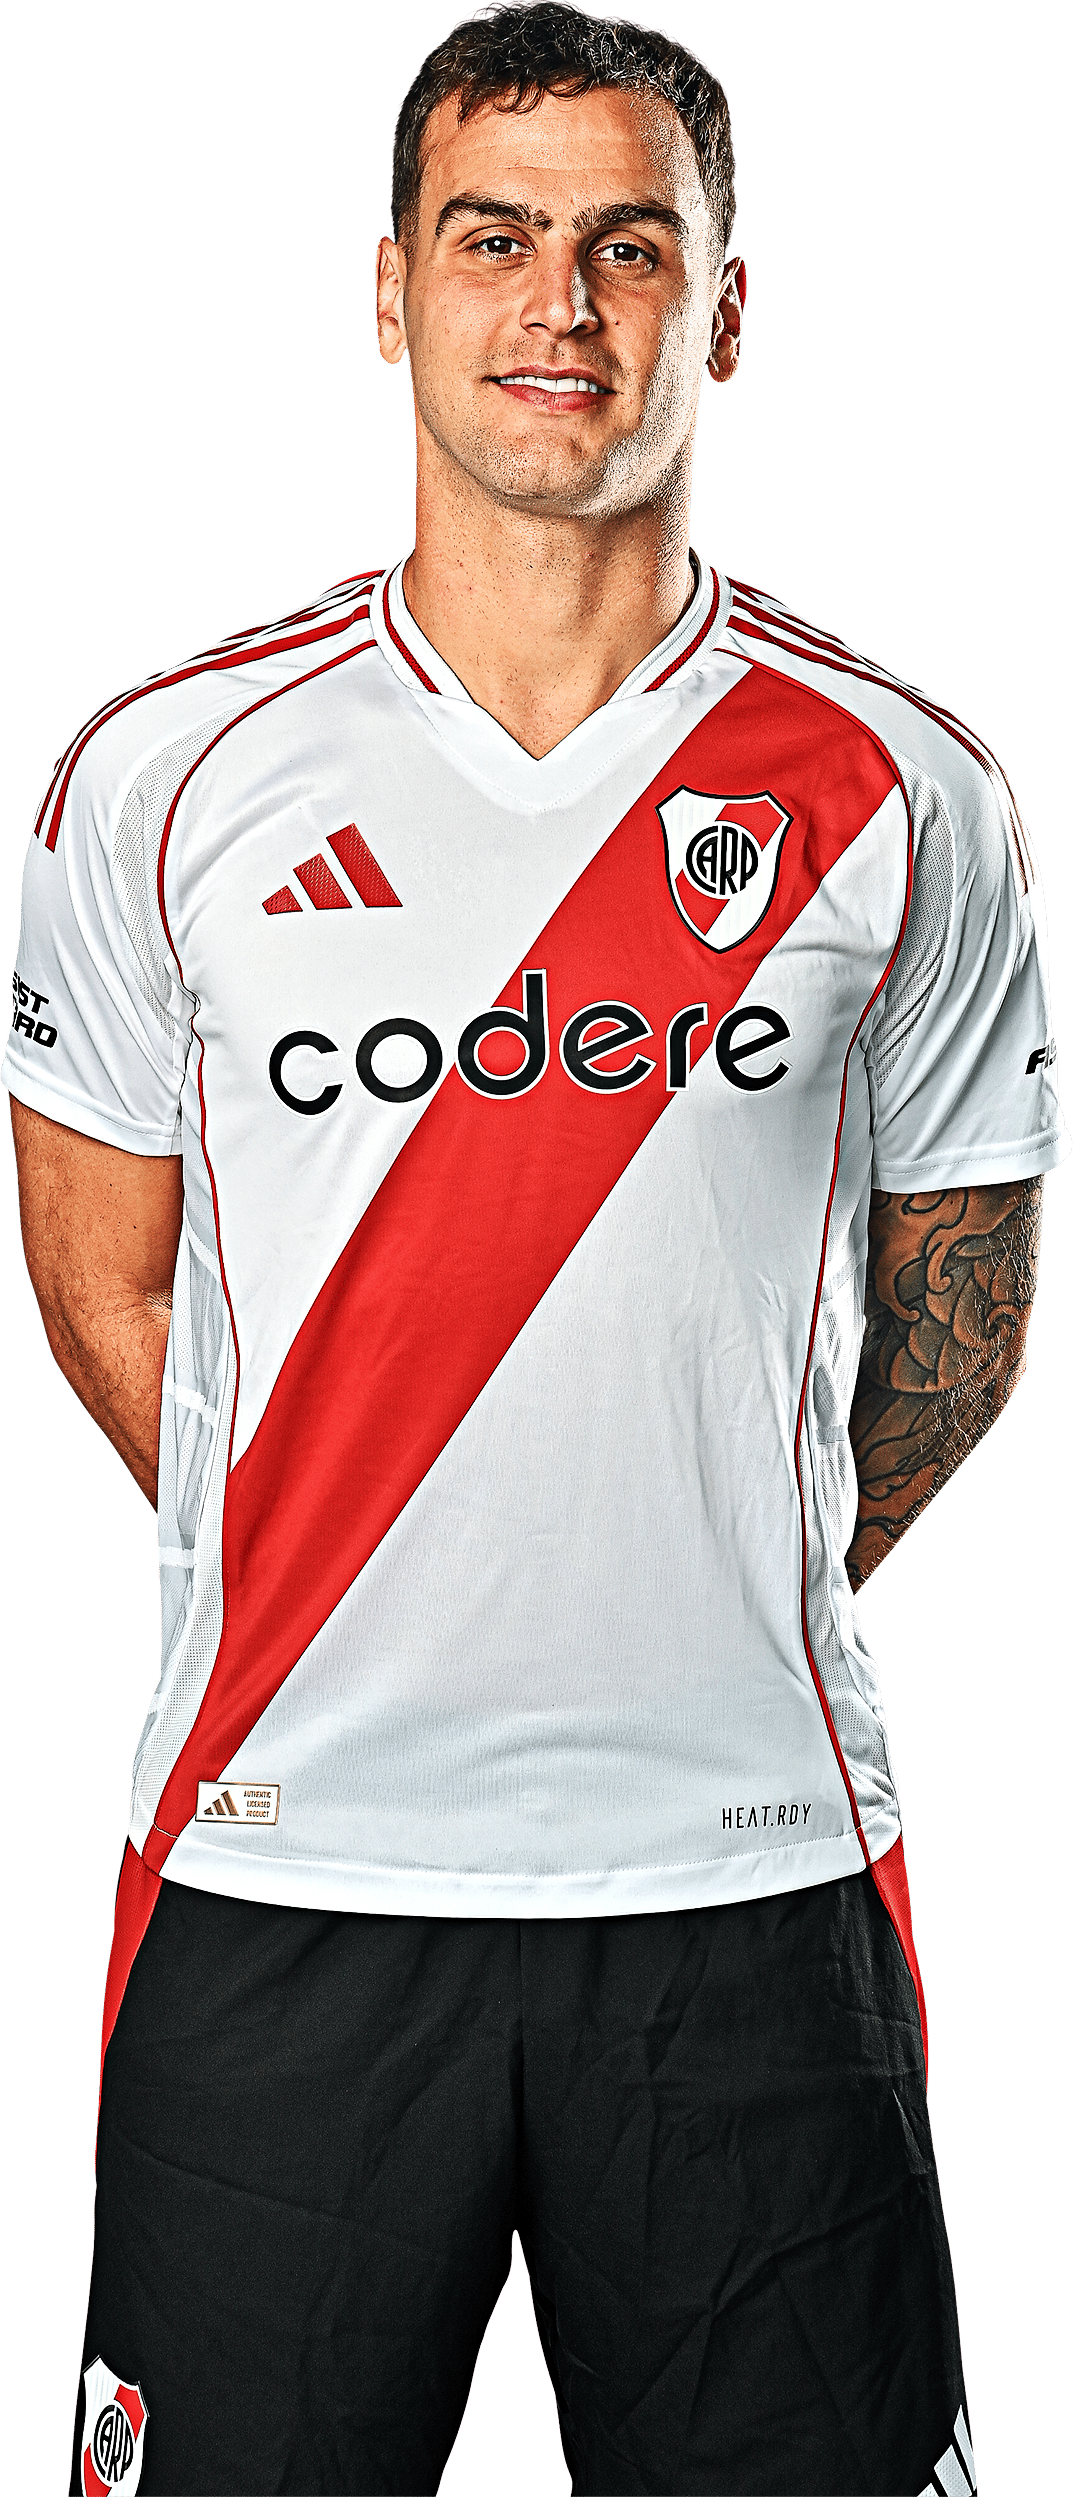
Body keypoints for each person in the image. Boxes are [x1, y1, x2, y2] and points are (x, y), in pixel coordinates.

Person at [6, 5, 1066, 2489]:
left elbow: (966, 1316)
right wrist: (368, 1561)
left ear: (725, 311)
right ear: (392, 295)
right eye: (490, 240)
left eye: (628, 247)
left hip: (755, 1869)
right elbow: (102, 1286)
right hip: (283, 1860)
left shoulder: (905, 793)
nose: (556, 306)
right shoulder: (166, 775)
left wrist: (683, 1567)